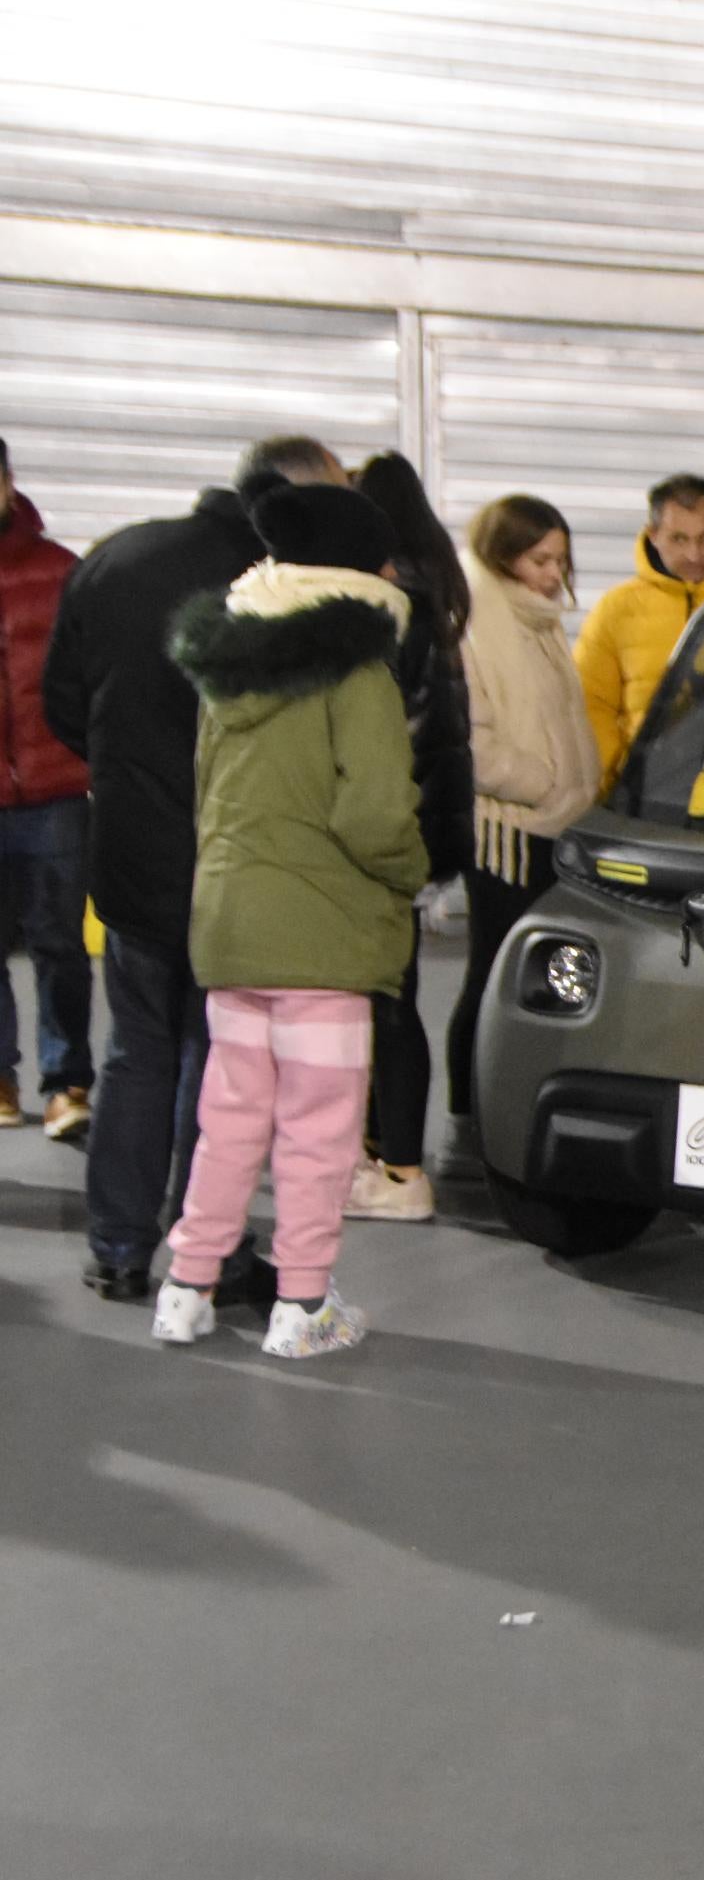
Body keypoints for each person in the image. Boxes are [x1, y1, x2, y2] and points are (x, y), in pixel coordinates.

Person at [45, 434, 346, 1303]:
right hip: (236, 859)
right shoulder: (280, 590)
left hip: (131, 853)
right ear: (288, 502)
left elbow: (64, 702)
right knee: (217, 1060)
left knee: (136, 1049)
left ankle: (116, 1246)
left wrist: (127, 773)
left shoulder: (115, 559)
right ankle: (200, 1250)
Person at [151, 482, 428, 1354]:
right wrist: (412, 873)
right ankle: (303, 1307)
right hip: (323, 941)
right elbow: (375, 813)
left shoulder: (225, 670)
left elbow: (205, 797)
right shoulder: (358, 669)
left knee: (228, 1119)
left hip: (230, 924)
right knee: (319, 1130)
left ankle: (188, 1288)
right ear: (357, 569)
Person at [444, 496, 599, 1159]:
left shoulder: (537, 619)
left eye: (560, 559)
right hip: (506, 832)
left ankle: (509, 1110)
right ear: (503, 556)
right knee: (491, 974)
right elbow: (471, 742)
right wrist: (544, 783)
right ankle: (467, 1119)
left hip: (555, 826)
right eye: (540, 559)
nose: (552, 573)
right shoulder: (477, 619)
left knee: (532, 980)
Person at [344, 452, 475, 1221]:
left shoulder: (391, 611)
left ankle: (396, 1167)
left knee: (385, 1007)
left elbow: (396, 741)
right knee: (392, 1000)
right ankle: (389, 1160)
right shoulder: (434, 594)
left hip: (389, 832)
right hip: (419, 828)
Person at [0, 435, 92, 1142]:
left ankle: (66, 1082)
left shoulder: (63, 571)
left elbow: (92, 678)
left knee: (60, 943)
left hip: (56, 787)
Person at [574, 473, 704, 792]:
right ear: (653, 535)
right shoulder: (616, 609)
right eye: (679, 539)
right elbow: (589, 702)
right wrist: (621, 774)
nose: (695, 554)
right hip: (644, 797)